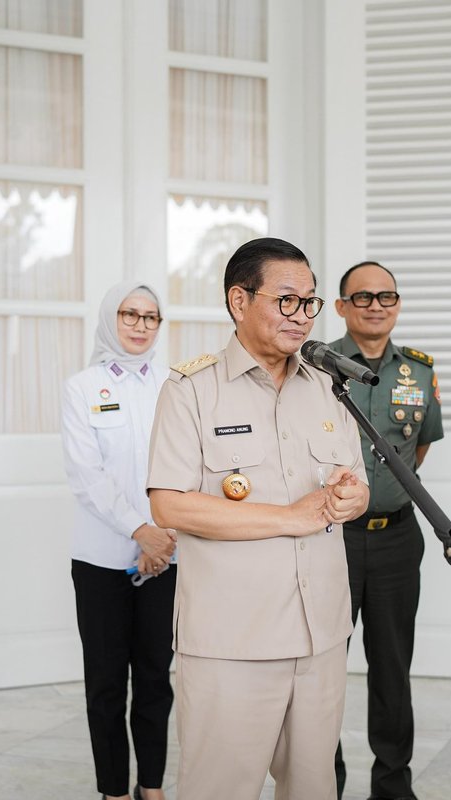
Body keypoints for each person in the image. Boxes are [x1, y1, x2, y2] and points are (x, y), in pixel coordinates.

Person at [147, 237, 370, 800]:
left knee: (314, 787)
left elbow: (354, 485)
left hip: (320, 632)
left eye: (311, 302)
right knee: (220, 788)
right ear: (238, 301)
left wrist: (352, 500)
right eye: (287, 300)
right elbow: (169, 504)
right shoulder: (190, 390)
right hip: (232, 640)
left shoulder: (327, 387)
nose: (301, 316)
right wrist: (290, 517)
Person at [328, 261, 443, 800]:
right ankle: (321, 779)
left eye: (387, 296)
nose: (376, 305)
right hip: (331, 539)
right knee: (323, 664)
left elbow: (415, 450)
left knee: (392, 665)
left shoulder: (418, 371)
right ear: (341, 306)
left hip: (398, 537)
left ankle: (393, 784)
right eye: (363, 296)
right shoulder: (315, 366)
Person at [61, 282, 177, 800]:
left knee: (156, 678)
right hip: (101, 561)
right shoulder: (82, 387)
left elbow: (187, 468)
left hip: (166, 558)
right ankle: (114, 791)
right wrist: (142, 531)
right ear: (111, 318)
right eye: (130, 314)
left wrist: (164, 540)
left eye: (151, 317)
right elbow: (88, 476)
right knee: (107, 684)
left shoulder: (175, 385)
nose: (140, 325)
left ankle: (151, 786)